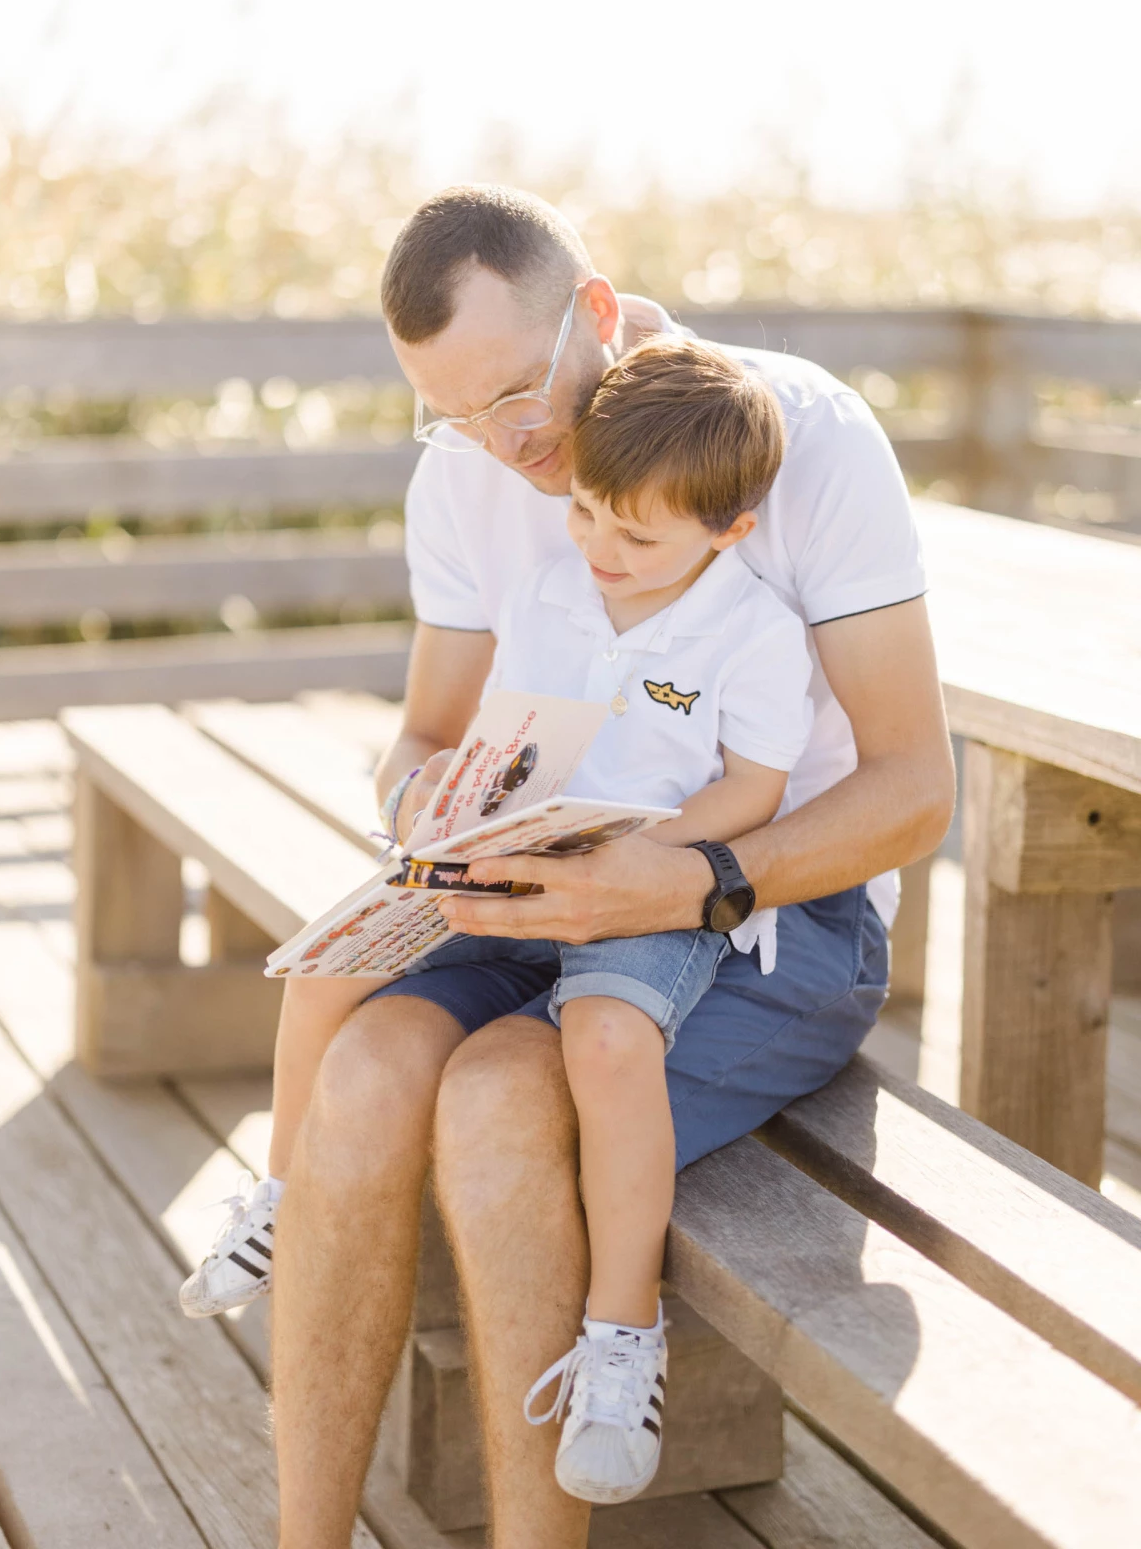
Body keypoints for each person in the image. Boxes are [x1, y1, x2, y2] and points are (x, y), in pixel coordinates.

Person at [271, 185, 955, 1549]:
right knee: (359, 1068)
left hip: (767, 917)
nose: (500, 443)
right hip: (539, 899)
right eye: (452, 414)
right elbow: (419, 733)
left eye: (517, 395)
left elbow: (913, 793)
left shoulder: (800, 439)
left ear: (595, 313)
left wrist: (695, 883)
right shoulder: (466, 471)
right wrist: (427, 811)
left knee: (498, 1099)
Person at [182, 339, 814, 1511]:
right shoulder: (551, 590)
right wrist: (452, 805)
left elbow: (755, 792)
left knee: (608, 1047)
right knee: (326, 967)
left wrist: (648, 856)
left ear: (727, 532)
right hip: (525, 861)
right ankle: (281, 1198)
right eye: (585, 514)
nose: (601, 553)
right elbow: (508, 733)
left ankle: (622, 1337)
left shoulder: (756, 633)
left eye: (638, 539)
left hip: (648, 881)